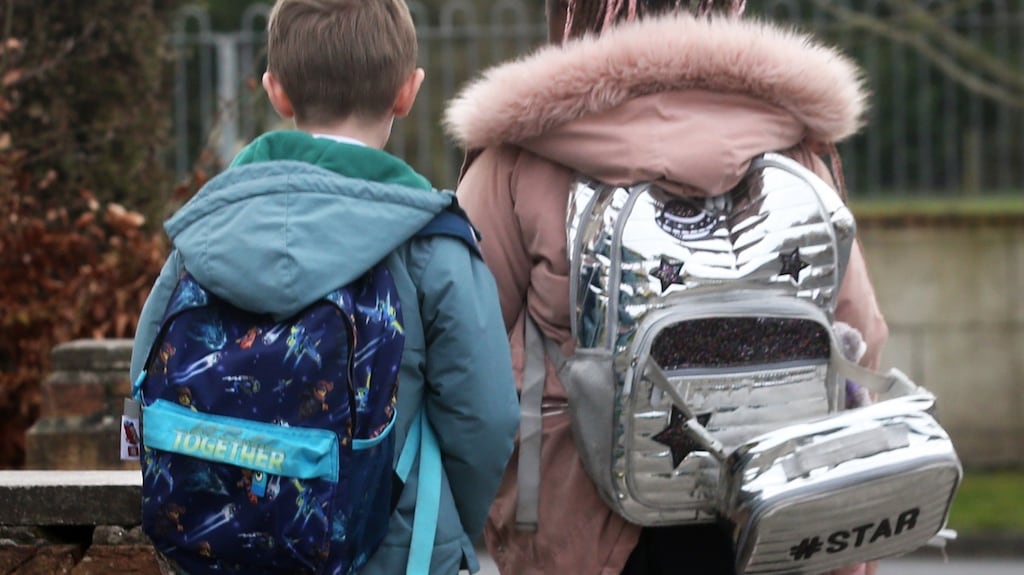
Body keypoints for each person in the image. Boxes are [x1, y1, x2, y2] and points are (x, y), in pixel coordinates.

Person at [446, 0, 887, 574]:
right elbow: (860, 334)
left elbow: (460, 344)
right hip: (770, 512)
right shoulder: (794, 145)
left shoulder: (521, 156)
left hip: (584, 525)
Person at [129, 1, 519, 573]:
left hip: (215, 552)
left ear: (276, 91)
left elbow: (145, 380)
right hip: (392, 553)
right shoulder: (430, 245)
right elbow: (485, 418)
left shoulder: (205, 231)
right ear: (407, 93)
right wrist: (441, 525)